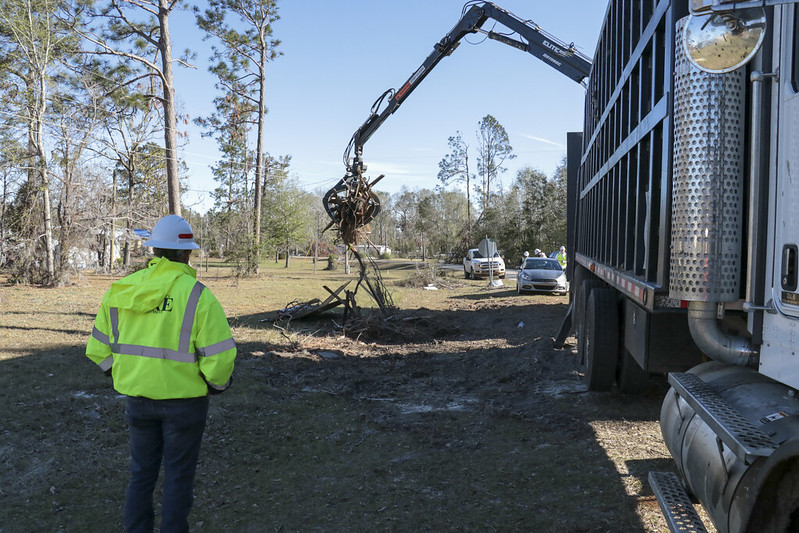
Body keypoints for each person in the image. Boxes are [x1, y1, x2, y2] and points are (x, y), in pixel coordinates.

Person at [85, 214, 236, 533]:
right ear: (186, 254)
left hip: (138, 401)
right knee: (178, 478)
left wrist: (122, 374)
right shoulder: (197, 295)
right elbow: (219, 357)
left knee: (141, 475)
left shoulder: (121, 291)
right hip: (185, 404)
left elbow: (98, 348)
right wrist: (217, 385)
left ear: (155, 251)